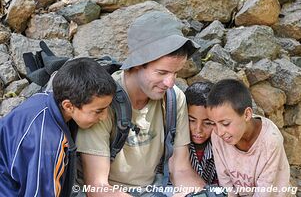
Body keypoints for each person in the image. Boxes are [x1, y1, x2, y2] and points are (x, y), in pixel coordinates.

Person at [76, 11, 205, 196]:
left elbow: (181, 169)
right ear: (137, 64)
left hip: (155, 189)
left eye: (175, 73)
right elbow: (97, 187)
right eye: (161, 73)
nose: (170, 83)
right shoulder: (103, 102)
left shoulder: (174, 98)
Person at [0, 57, 117, 197]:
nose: (104, 117)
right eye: (98, 111)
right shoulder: (49, 142)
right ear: (68, 106)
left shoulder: (41, 100)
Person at [206, 79, 294, 197]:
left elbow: (264, 193)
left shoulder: (270, 141)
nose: (220, 132)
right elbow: (226, 185)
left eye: (226, 123)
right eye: (213, 123)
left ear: (247, 114)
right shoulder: (218, 136)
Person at [184, 82, 218, 185]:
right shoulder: (173, 146)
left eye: (207, 123)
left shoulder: (221, 148)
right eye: (191, 120)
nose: (198, 129)